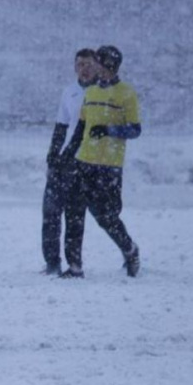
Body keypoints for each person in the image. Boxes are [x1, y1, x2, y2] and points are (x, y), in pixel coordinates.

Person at [59, 45, 141, 279]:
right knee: (73, 212)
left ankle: (130, 249)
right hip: (83, 161)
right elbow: (83, 126)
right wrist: (68, 153)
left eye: (96, 62)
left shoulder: (126, 93)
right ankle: (74, 267)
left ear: (109, 65)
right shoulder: (91, 91)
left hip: (108, 166)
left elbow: (135, 129)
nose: (91, 67)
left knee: (106, 217)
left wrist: (109, 130)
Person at [41, 48, 98, 275]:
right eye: (80, 64)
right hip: (64, 159)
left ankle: (75, 264)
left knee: (75, 214)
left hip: (84, 161)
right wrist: (52, 157)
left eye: (89, 65)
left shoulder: (100, 94)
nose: (84, 69)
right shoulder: (69, 92)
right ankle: (52, 261)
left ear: (97, 67)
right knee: (50, 212)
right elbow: (61, 127)